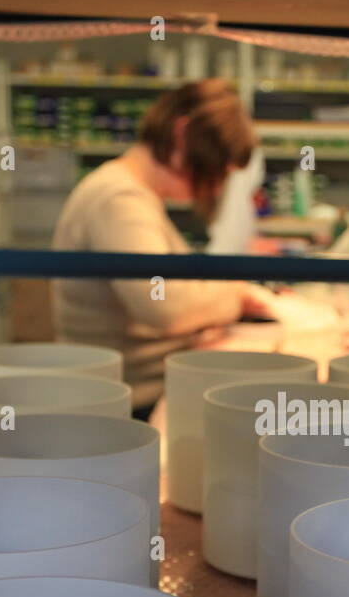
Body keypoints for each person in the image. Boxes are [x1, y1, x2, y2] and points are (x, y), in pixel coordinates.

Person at [51, 79, 271, 416]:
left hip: (134, 390)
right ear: (182, 135)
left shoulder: (133, 194)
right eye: (214, 170)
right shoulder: (119, 199)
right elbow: (164, 306)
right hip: (129, 402)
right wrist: (235, 297)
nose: (214, 188)